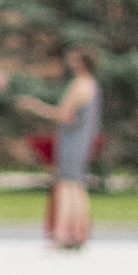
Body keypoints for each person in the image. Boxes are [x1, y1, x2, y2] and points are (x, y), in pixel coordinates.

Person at [45, 49, 101, 250]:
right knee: (77, 186)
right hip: (83, 139)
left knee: (65, 186)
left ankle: (62, 233)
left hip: (71, 139)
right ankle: (79, 231)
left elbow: (63, 114)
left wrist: (36, 107)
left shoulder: (79, 85)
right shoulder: (93, 84)